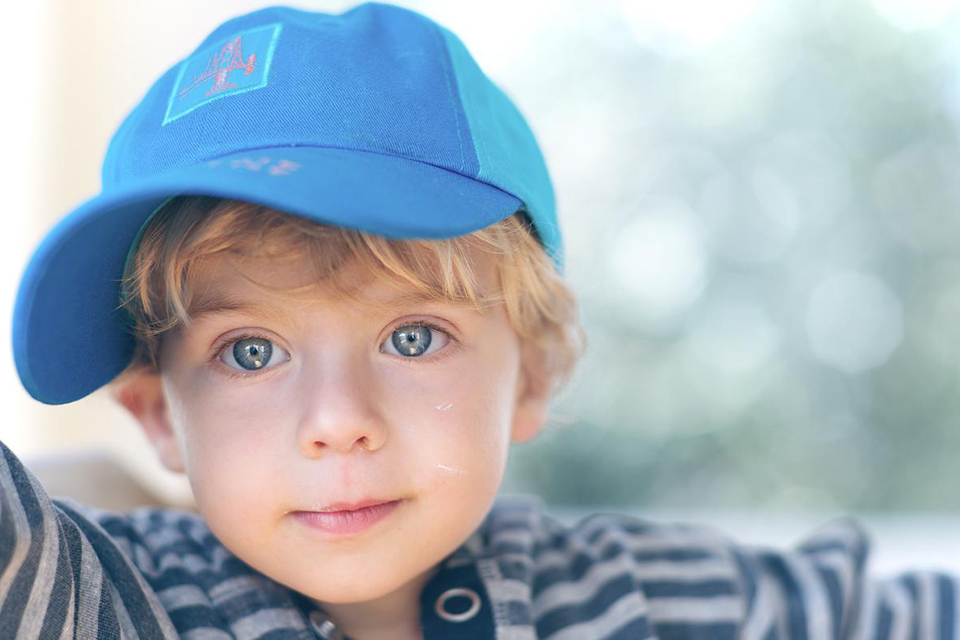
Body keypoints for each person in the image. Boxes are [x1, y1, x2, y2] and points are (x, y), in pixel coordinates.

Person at [2, 3, 957, 639]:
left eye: (412, 337)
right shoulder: (114, 603)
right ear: (160, 415)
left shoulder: (633, 595)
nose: (338, 419)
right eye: (249, 351)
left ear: (533, 373)